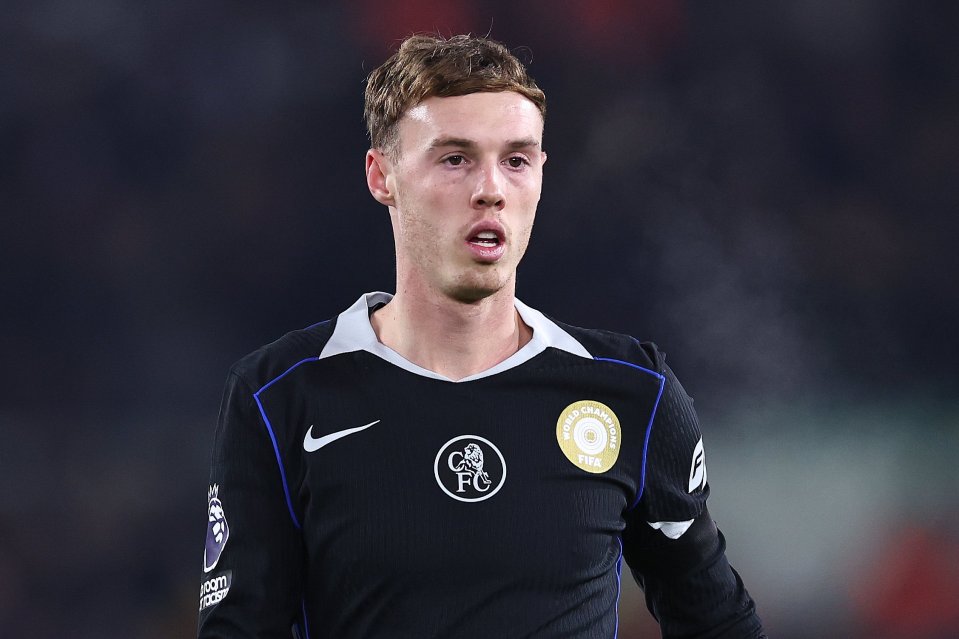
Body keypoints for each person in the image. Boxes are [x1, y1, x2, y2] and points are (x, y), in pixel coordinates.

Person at [197, 33, 766, 638]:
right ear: (381, 175)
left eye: (516, 160)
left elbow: (717, 621)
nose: (490, 188)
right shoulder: (279, 397)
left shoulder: (632, 393)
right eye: (455, 158)